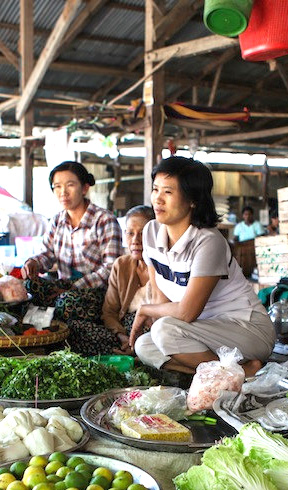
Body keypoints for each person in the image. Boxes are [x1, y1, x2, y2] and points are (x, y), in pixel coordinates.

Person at [131, 157, 274, 376]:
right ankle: (241, 371)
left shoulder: (209, 241)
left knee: (164, 331)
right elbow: (162, 303)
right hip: (201, 333)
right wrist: (153, 313)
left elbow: (186, 313)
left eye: (168, 192)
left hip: (246, 329)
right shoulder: (151, 232)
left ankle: (237, 372)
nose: (157, 199)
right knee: (145, 346)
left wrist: (144, 310)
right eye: (155, 189)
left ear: (193, 200)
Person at [21, 161, 121, 353]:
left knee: (66, 302)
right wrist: (33, 263)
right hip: (64, 286)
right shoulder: (57, 220)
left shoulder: (104, 220)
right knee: (28, 287)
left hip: (96, 291)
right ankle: (37, 340)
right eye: (57, 186)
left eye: (70, 185)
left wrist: (73, 287)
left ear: (84, 188)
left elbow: (110, 269)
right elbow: (48, 254)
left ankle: (62, 343)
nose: (63, 192)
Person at [101, 206, 155, 355]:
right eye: (130, 233)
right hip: (123, 333)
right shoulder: (121, 265)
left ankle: (139, 353)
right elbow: (109, 312)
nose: (135, 240)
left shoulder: (164, 268)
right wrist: (123, 337)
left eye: (143, 233)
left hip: (153, 335)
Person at [230, 205, 266, 279]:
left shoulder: (257, 225)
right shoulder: (239, 226)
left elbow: (262, 238)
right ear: (243, 216)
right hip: (243, 249)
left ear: (252, 215)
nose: (247, 216)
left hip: (254, 248)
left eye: (249, 214)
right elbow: (236, 239)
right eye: (245, 214)